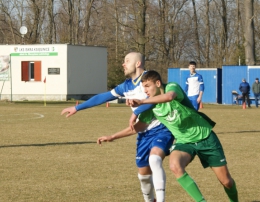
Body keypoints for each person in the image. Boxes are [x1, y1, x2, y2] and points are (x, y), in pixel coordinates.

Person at [61, 52, 174, 202]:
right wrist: (78, 108)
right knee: (143, 176)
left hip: (161, 128)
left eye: (127, 61)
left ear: (138, 63)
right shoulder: (126, 86)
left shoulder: (150, 79)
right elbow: (103, 97)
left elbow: (155, 98)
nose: (123, 64)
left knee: (155, 160)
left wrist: (136, 111)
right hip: (142, 132)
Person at [127, 70, 238, 202]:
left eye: (147, 86)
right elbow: (139, 127)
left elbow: (169, 97)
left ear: (157, 83)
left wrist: (141, 103)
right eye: (143, 87)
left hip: (205, 137)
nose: (144, 90)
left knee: (226, 182)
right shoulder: (151, 104)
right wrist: (111, 137)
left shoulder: (172, 87)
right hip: (184, 142)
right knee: (174, 166)